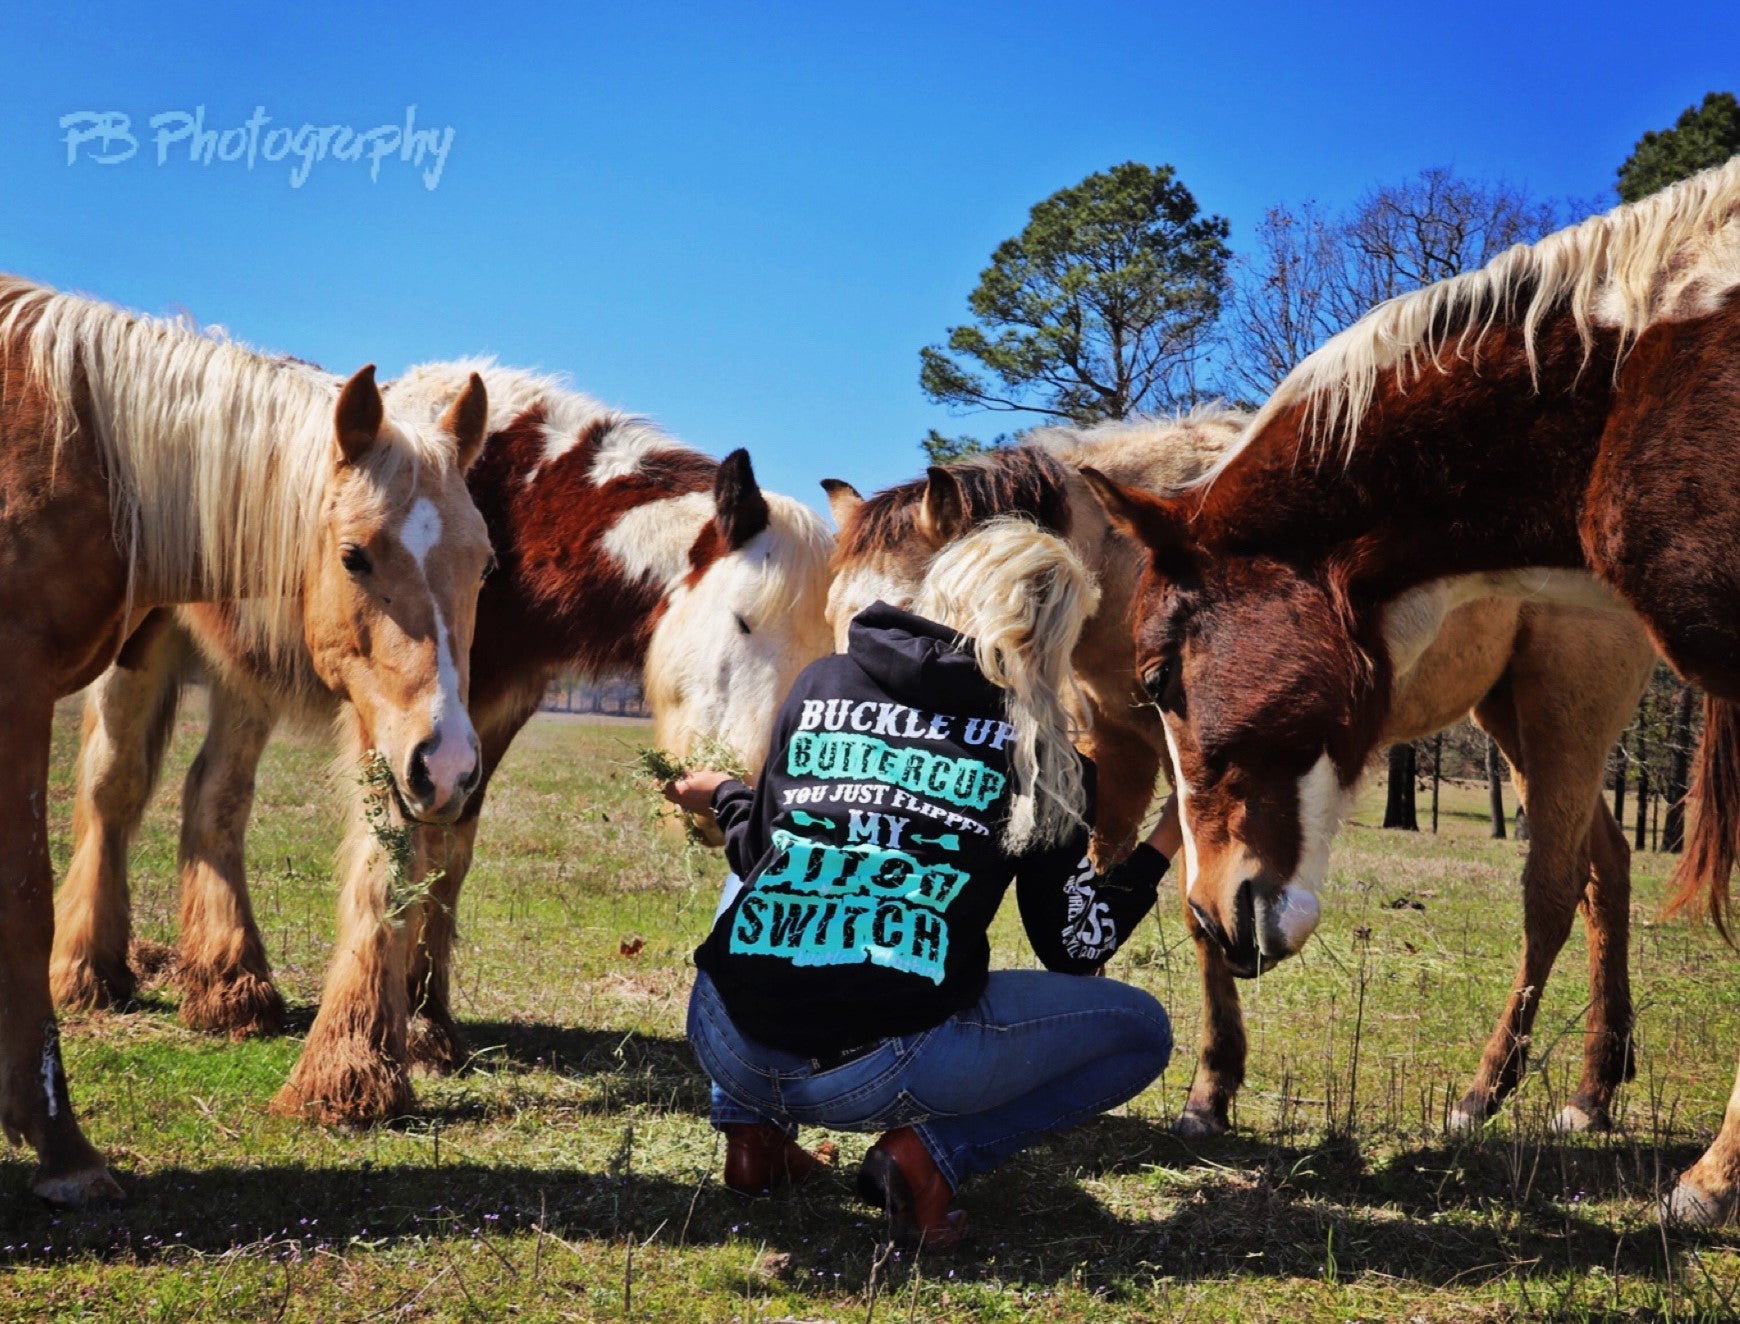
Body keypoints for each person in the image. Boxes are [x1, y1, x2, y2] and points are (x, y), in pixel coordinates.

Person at [664, 519, 1180, 1250]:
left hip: (728, 1040)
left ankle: (751, 1136)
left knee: (782, 874)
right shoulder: (1041, 754)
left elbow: (758, 851)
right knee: (1140, 1032)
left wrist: (725, 795)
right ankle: (931, 1157)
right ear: (1052, 638)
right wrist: (1169, 835)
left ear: (946, 586)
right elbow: (1074, 945)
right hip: (876, 1071)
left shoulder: (823, 682)